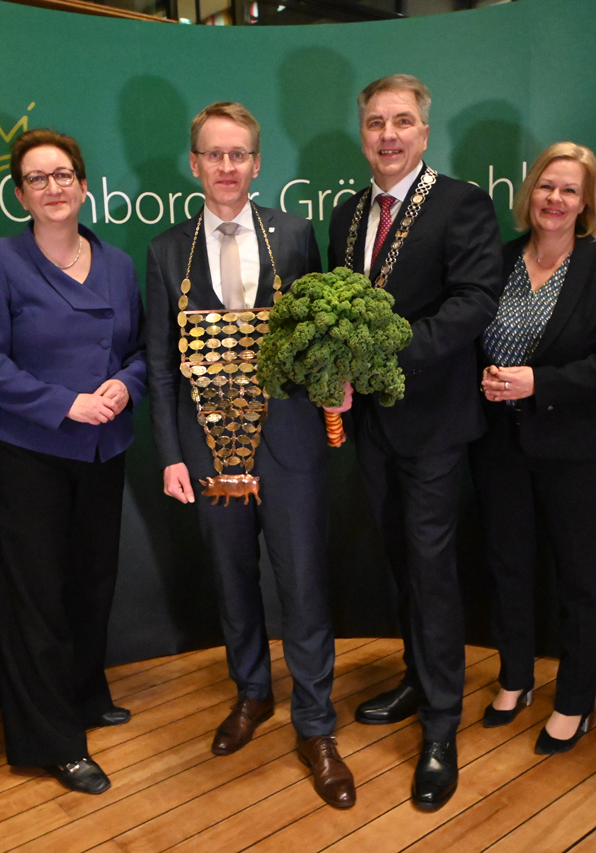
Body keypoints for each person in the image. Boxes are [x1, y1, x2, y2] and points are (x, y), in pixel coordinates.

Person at [146, 102, 354, 809]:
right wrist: (171, 451)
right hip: (206, 441)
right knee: (232, 579)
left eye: (239, 154)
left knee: (302, 582)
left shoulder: (295, 234)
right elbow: (159, 358)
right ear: (195, 163)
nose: (227, 167)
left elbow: (318, 335)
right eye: (214, 154)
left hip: (289, 439)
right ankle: (252, 693)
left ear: (257, 164)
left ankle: (317, 723)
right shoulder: (165, 250)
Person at [326, 74, 501, 810]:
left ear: (425, 133)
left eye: (402, 122)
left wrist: (385, 356)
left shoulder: (462, 203)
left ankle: (440, 726)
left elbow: (475, 301)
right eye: (375, 122)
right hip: (371, 424)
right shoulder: (348, 210)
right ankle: (416, 676)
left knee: (431, 568)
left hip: (433, 422)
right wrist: (336, 368)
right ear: (361, 133)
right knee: (399, 556)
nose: (388, 135)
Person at [0, 129, 145, 796]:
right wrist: (63, 403)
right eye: (38, 178)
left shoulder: (119, 264)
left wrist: (128, 384)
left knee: (92, 581)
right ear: (19, 194)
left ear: (85, 183)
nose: (54, 186)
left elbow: (144, 350)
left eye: (63, 173)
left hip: (104, 448)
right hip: (29, 451)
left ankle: (85, 694)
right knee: (34, 598)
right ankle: (53, 741)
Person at [469, 142, 596, 754]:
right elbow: (471, 336)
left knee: (581, 580)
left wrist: (539, 382)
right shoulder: (496, 259)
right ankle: (515, 677)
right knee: (508, 565)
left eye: (569, 190)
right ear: (529, 193)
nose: (555, 199)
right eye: (546, 186)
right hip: (500, 444)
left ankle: (575, 700)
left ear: (587, 202)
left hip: (579, 449)